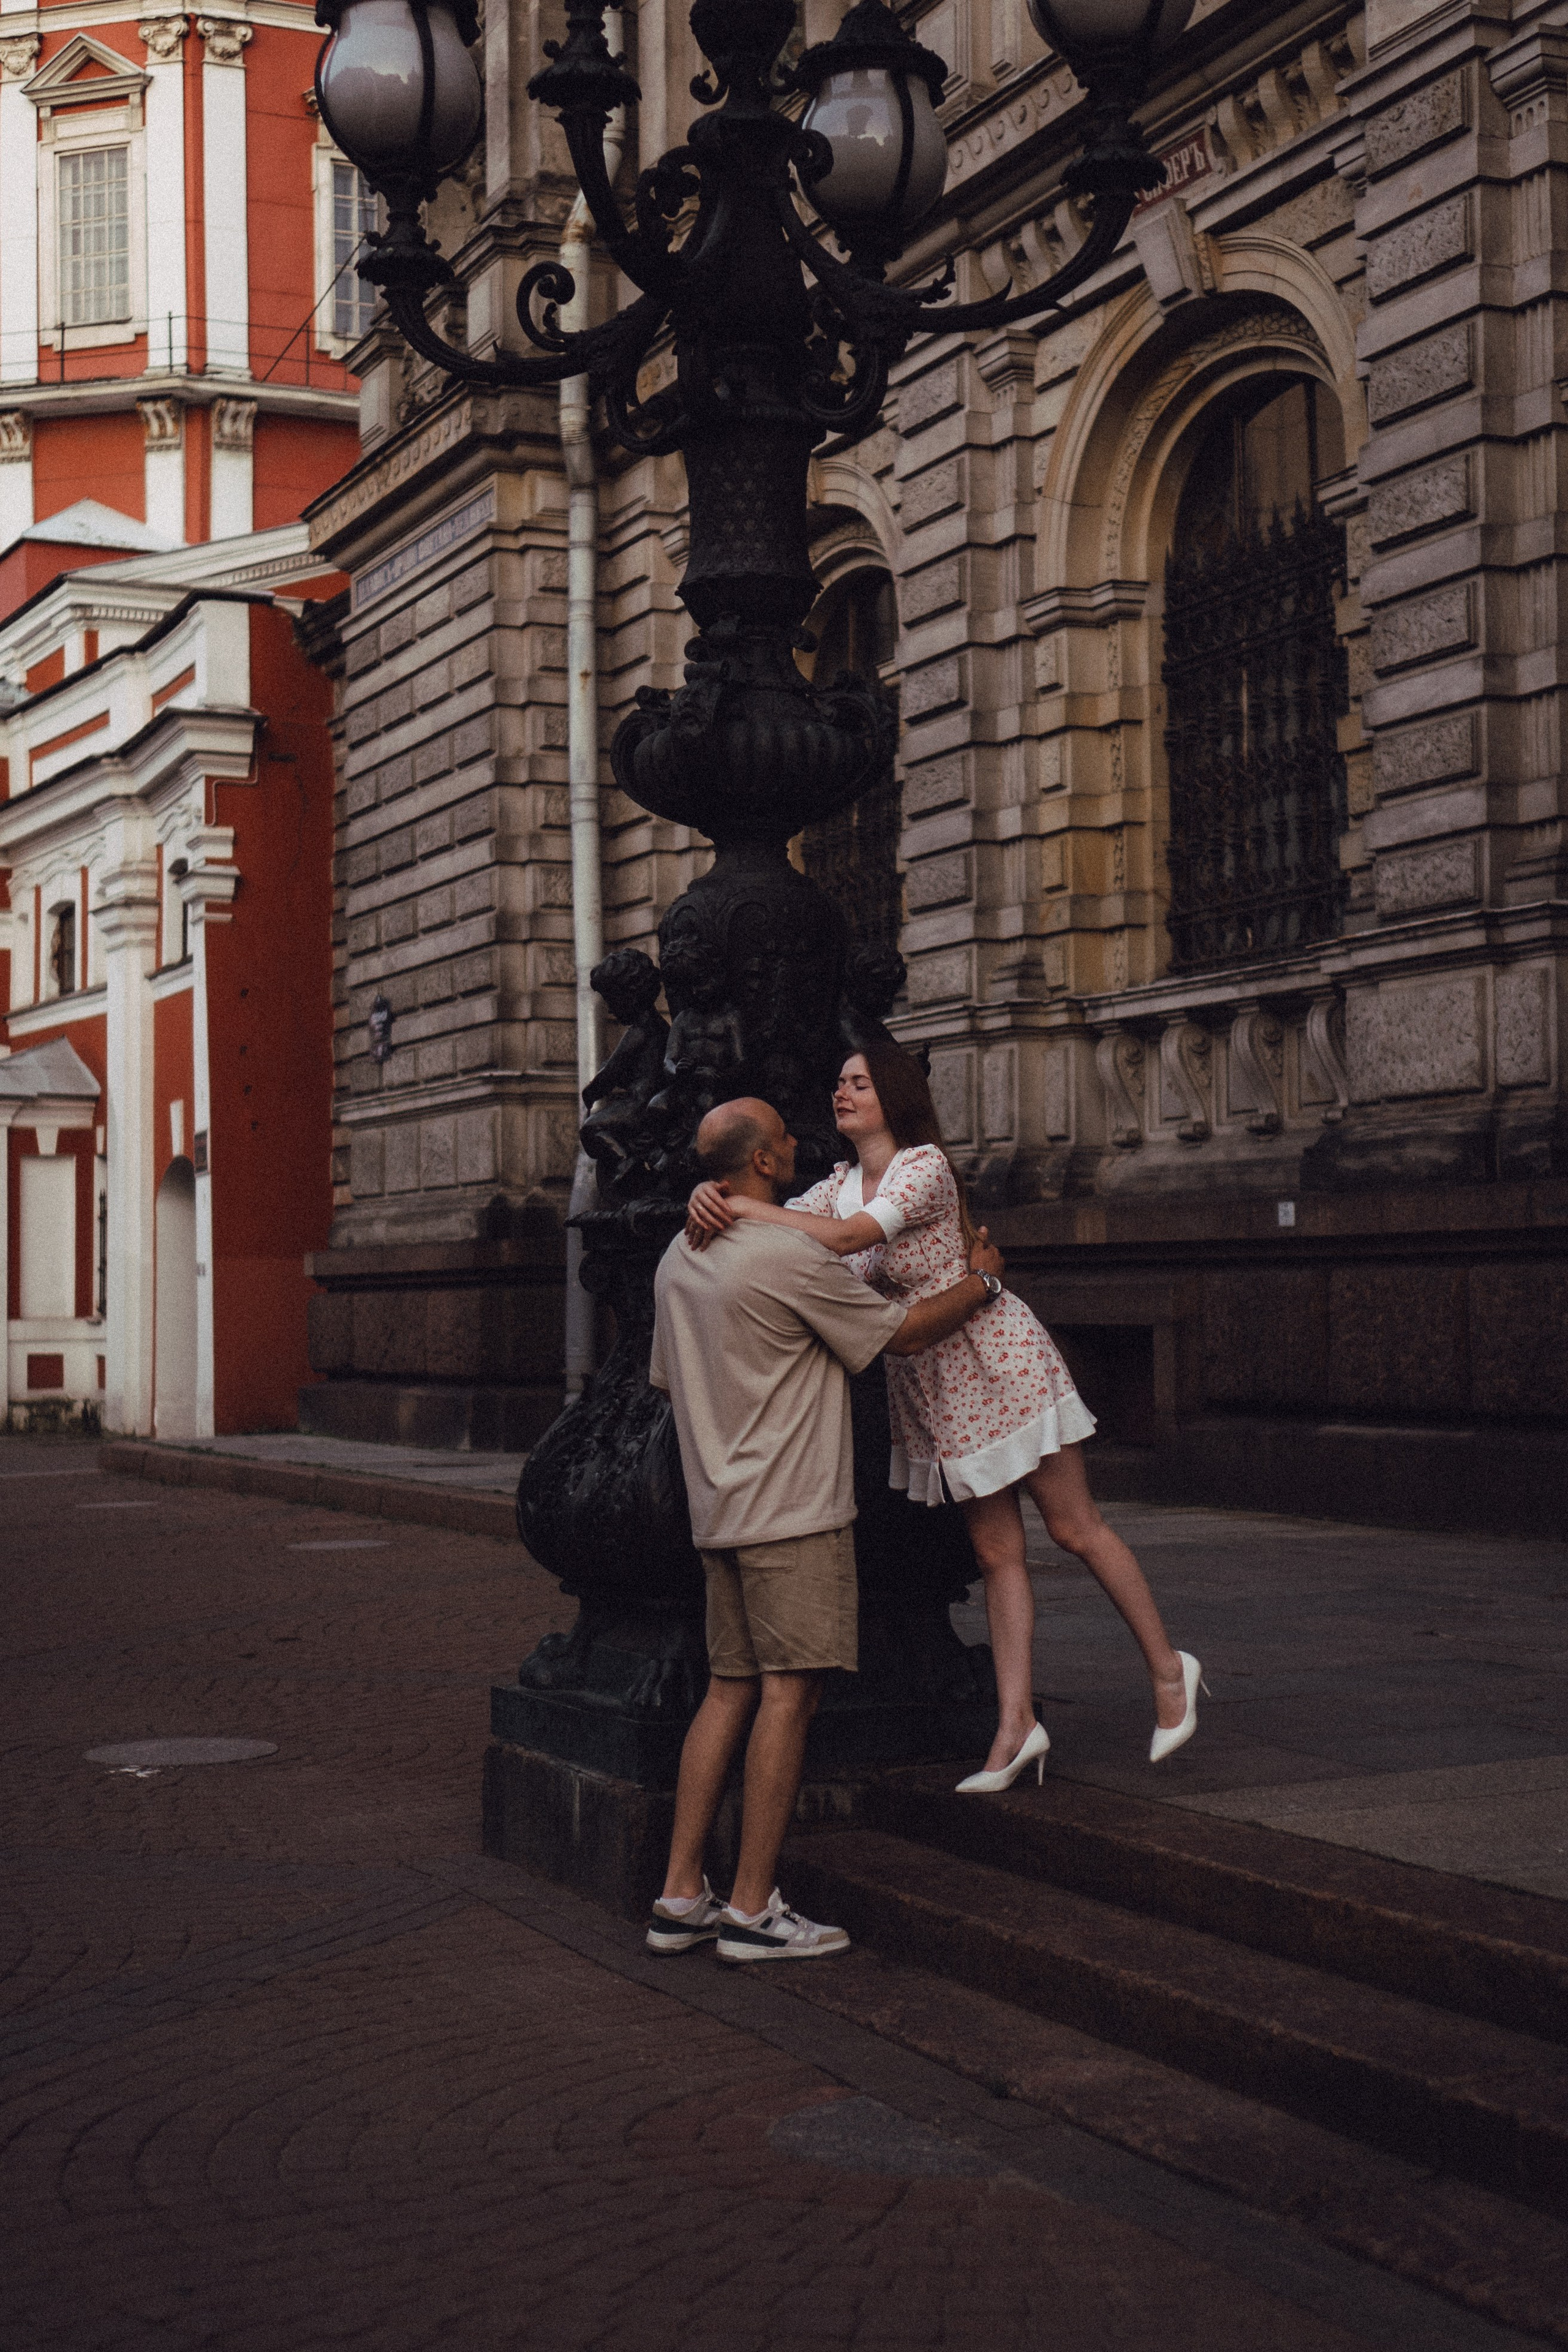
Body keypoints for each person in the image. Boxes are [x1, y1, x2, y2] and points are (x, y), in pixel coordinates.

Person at [687, 1043, 1206, 1792]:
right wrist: (704, 1200)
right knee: (996, 1556)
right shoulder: (836, 1185)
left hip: (996, 1356)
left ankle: (1168, 1671)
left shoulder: (920, 1167)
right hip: (931, 1379)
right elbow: (778, 1229)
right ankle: (1015, 1725)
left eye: (858, 1083)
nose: (841, 1093)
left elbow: (845, 1242)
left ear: (892, 1096)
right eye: (837, 1082)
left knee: (1074, 1527)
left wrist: (734, 1202)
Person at [647, 1094, 1007, 1963]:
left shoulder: (676, 1255)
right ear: (765, 1165)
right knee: (789, 1696)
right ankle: (752, 1909)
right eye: (784, 1139)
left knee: (728, 1690)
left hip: (719, 1508)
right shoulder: (785, 1256)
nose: (798, 1144)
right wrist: (981, 1280)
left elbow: (668, 1381)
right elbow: (906, 1333)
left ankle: (679, 1895)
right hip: (794, 1510)